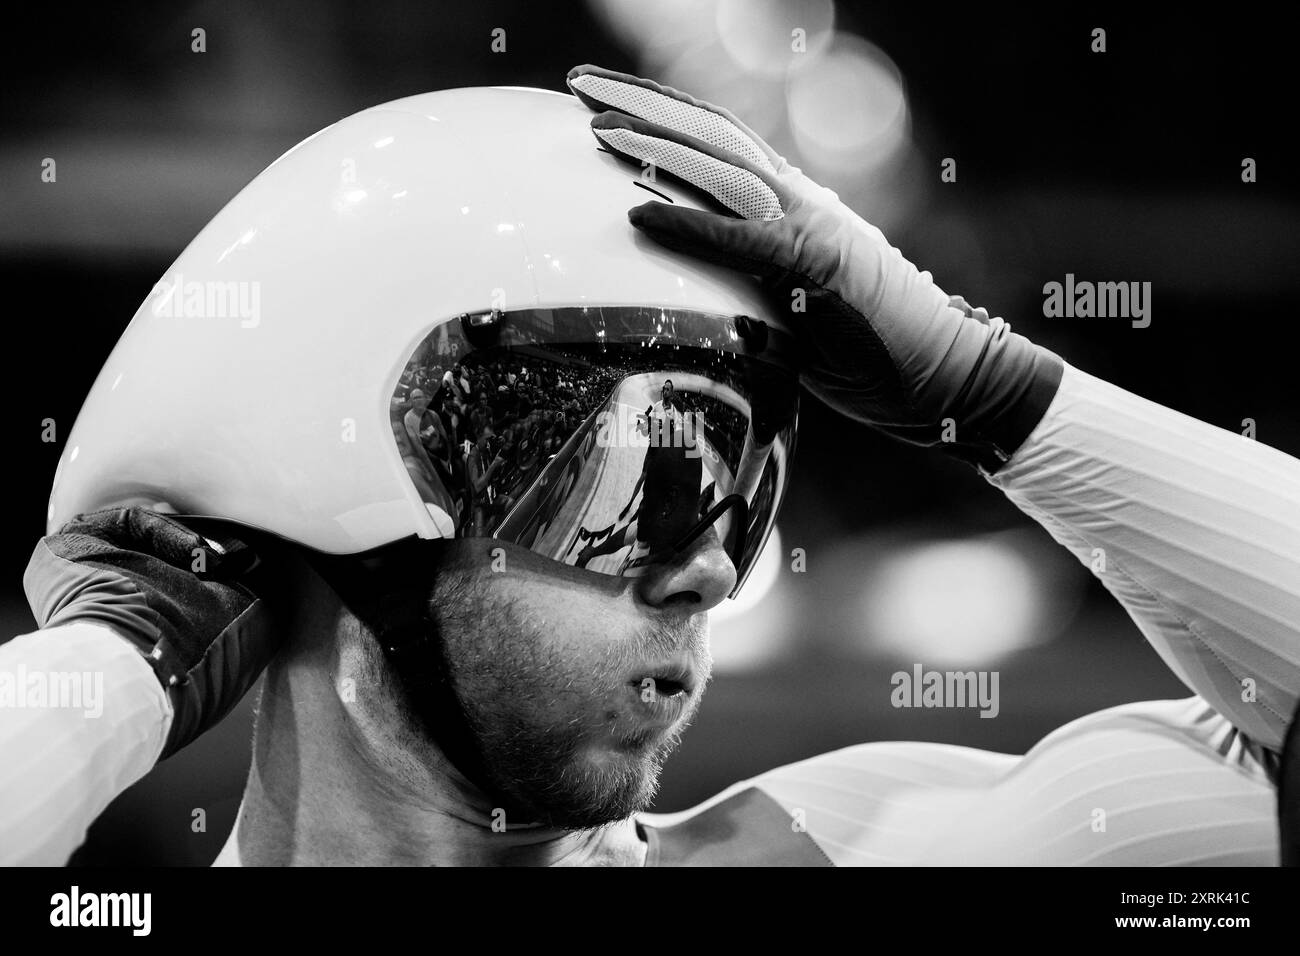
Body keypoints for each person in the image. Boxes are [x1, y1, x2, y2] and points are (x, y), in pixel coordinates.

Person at [3, 67, 1295, 866]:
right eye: (636, 481)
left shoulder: (862, 857)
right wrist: (119, 671)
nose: (718, 567)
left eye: (747, 478)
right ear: (328, 473)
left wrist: (992, 394)